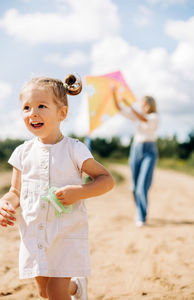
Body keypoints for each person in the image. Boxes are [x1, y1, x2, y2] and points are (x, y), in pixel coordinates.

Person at [0, 74, 114, 300]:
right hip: (35, 236)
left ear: (62, 113)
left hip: (65, 234)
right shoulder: (22, 153)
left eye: (42, 106)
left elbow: (106, 180)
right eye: (26, 107)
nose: (33, 113)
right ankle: (77, 289)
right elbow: (16, 192)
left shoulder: (74, 149)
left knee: (54, 292)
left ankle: (68, 289)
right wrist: (4, 203)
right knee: (44, 291)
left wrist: (79, 192)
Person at [112, 87, 158, 227]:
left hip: (149, 150)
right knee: (134, 187)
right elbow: (119, 109)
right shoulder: (137, 116)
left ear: (150, 104)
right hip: (136, 149)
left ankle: (142, 216)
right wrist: (114, 94)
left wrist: (129, 105)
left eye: (145, 103)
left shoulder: (154, 117)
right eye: (142, 103)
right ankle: (139, 209)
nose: (143, 105)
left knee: (142, 185)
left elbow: (143, 118)